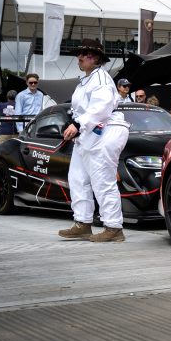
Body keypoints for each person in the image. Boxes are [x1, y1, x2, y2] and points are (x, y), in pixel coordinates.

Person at [58, 38, 130, 243]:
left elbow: (101, 107)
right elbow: (84, 109)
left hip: (105, 132)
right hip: (89, 134)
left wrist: (78, 124)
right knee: (77, 178)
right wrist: (76, 124)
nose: (79, 57)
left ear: (96, 58)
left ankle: (114, 227)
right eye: (79, 54)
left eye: (85, 54)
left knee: (103, 181)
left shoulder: (101, 79)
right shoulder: (87, 80)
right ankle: (82, 223)